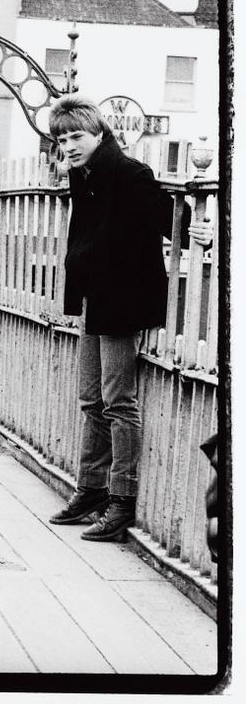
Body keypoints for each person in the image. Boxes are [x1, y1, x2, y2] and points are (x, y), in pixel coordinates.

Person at [46, 95, 213, 541]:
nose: (69, 146)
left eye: (77, 136)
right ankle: (91, 490)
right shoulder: (84, 175)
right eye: (62, 139)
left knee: (118, 401)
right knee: (90, 400)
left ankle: (121, 500)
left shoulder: (128, 172)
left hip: (123, 298)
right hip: (95, 298)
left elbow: (172, 218)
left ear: (101, 133)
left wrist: (199, 228)